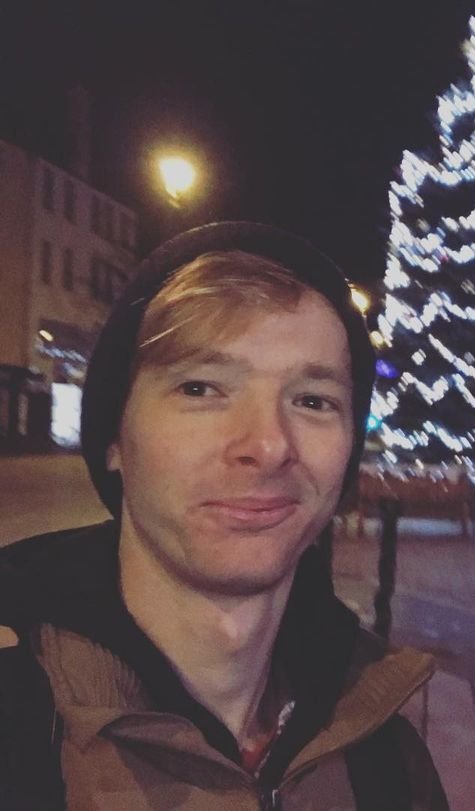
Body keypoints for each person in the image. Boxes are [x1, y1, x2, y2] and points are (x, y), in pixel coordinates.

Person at [0, 222, 448, 809]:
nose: (268, 445)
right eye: (201, 389)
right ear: (115, 437)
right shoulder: (19, 728)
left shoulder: (384, 754)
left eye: (313, 401)